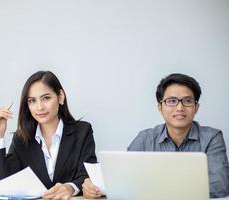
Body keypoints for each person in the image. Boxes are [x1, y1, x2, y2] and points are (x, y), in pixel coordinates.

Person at [82, 73, 229, 198]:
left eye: (187, 101)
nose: (179, 107)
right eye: (171, 101)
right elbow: (123, 182)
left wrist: (158, 190)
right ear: (160, 107)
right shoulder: (145, 138)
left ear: (196, 107)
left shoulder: (212, 137)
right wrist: (94, 186)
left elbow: (220, 186)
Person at [0, 71, 97, 199]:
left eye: (46, 98)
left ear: (60, 97)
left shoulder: (82, 131)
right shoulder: (21, 138)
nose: (39, 107)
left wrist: (70, 187)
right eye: (32, 101)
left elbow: (87, 176)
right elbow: (1, 183)